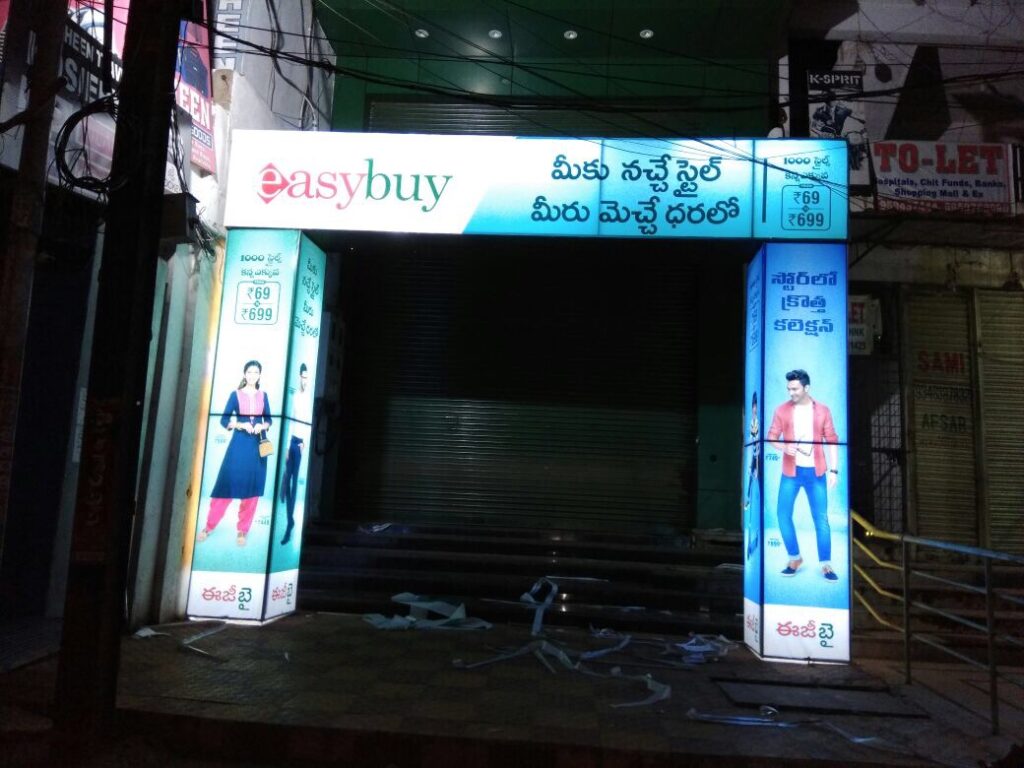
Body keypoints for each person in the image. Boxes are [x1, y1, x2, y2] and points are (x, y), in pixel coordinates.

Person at [766, 369, 840, 581]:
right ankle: (794, 557)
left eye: (795, 388)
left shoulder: (822, 411)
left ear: (806, 388)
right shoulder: (782, 410)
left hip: (816, 472)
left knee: (821, 519)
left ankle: (826, 564)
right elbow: (771, 436)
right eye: (789, 388)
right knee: (782, 514)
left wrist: (834, 470)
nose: (791, 393)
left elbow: (832, 440)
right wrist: (783, 447)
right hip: (791, 471)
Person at [197, 360, 272, 547]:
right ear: (244, 374)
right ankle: (209, 526)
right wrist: (241, 424)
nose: (253, 375)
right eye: (250, 372)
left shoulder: (264, 396)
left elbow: (269, 419)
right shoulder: (235, 395)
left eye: (256, 372)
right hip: (239, 443)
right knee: (226, 485)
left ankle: (242, 530)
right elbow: (224, 420)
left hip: (256, 446)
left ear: (260, 375)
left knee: (251, 491)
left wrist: (262, 426)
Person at [279, 363, 312, 545]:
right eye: (303, 376)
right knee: (288, 478)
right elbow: (291, 420)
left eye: (307, 377)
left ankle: (289, 524)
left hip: (299, 443)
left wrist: (304, 442)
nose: (305, 380)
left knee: (293, 483)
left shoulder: (308, 397)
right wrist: (285, 446)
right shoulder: (297, 396)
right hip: (291, 441)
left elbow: (308, 420)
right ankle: (290, 520)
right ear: (299, 376)